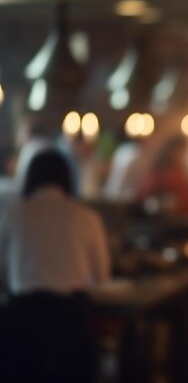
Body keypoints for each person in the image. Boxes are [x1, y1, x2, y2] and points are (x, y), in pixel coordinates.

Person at [0, 148, 111, 383]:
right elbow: (102, 276)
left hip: (21, 321)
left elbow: (2, 271)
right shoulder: (87, 216)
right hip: (72, 321)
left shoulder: (13, 214)